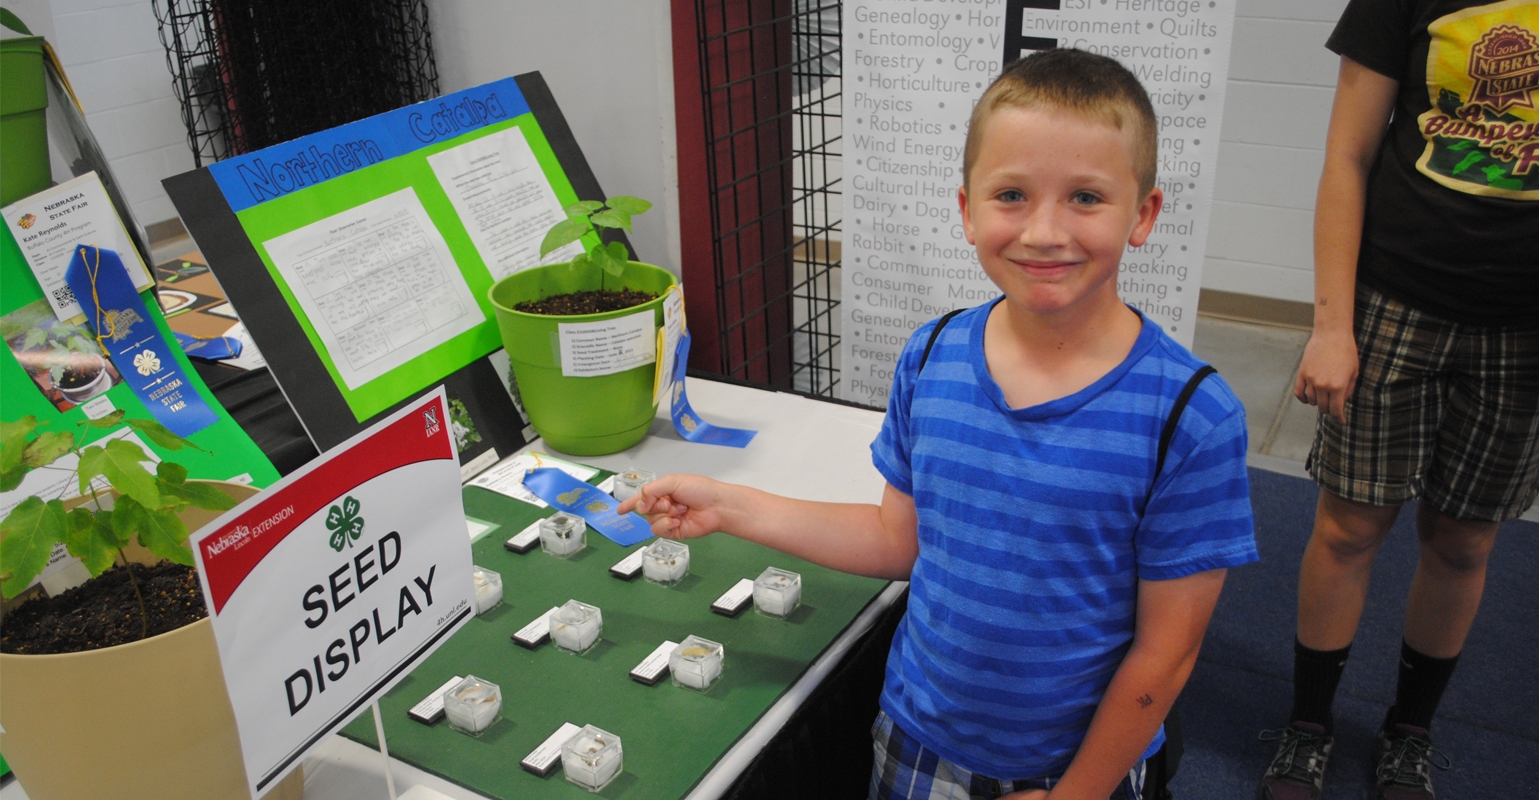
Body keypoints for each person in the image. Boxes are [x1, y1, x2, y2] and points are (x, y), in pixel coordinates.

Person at [619, 48, 1257, 800]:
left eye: (1086, 198)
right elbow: (899, 540)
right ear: (967, 210)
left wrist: (1077, 794)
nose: (1045, 231)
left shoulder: (1191, 417)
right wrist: (729, 504)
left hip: (1077, 770)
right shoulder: (932, 356)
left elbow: (1166, 653)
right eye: (1012, 195)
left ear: (1143, 214)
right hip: (917, 740)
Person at [1257, 2, 1537, 799]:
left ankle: (1409, 732)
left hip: (1527, 330)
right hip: (1394, 300)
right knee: (1348, 526)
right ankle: (1309, 726)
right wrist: (1332, 327)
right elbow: (1347, 156)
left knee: (1465, 543)